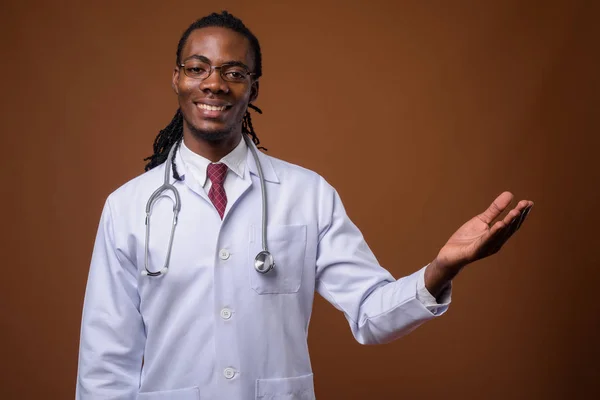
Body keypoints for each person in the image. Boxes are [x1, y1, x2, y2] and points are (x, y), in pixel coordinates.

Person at [76, 11, 534, 400]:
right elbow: (105, 363)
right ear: (176, 77)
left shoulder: (307, 194)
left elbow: (371, 313)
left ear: (253, 89)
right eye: (198, 68)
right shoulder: (128, 207)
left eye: (234, 73)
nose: (214, 84)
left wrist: (441, 268)